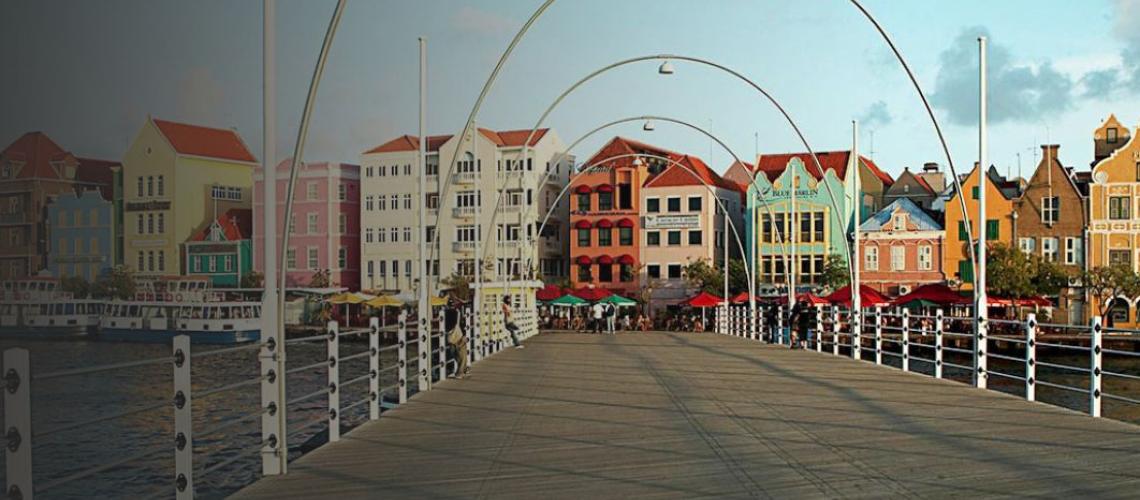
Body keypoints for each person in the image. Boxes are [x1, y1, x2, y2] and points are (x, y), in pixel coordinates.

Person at [444, 297, 469, 378]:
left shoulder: (445, 313)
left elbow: (445, 326)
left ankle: (462, 369)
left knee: (454, 353)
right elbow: (461, 323)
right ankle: (460, 371)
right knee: (462, 353)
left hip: (450, 336)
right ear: (454, 305)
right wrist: (464, 334)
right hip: (458, 335)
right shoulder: (457, 312)